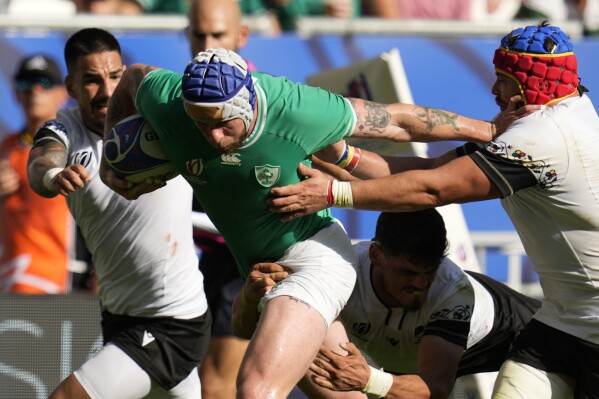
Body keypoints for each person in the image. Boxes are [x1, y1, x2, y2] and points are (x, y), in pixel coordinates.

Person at [98, 46, 535, 398]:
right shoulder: (166, 98)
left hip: (314, 258)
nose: (212, 137)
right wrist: (109, 158)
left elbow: (397, 122)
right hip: (265, 268)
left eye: (223, 124)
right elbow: (132, 76)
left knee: (255, 388)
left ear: (248, 103)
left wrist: (488, 130)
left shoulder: (299, 111)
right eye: (200, 124)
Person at [269, 22, 599, 399]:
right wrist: (345, 156)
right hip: (561, 324)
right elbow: (429, 170)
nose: (494, 90)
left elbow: (432, 188)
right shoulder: (549, 119)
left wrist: (332, 194)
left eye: (503, 79)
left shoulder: (545, 136)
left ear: (532, 83)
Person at [27, 28, 210, 399]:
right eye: (91, 81)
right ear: (71, 86)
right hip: (119, 316)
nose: (106, 91)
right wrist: (52, 174)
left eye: (114, 76)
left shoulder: (157, 118)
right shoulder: (65, 130)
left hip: (172, 320)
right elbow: (41, 159)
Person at [236, 209, 540, 398]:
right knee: (304, 345)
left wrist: (370, 379)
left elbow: (435, 386)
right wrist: (253, 297)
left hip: (512, 334)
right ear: (376, 255)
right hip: (409, 361)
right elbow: (244, 330)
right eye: (407, 272)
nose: (420, 284)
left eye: (429, 272)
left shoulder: (450, 293)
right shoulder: (337, 271)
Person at [185, 1, 253, 398]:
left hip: (251, 261)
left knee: (216, 385)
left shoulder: (271, 98)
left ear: (241, 36)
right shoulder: (172, 100)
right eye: (199, 35)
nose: (206, 47)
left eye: (218, 35)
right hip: (204, 260)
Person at [0, 54, 72, 294]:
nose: (34, 90)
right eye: (25, 83)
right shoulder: (5, 149)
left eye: (45, 82)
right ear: (15, 94)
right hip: (12, 278)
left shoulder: (78, 147)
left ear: (63, 94)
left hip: (65, 280)